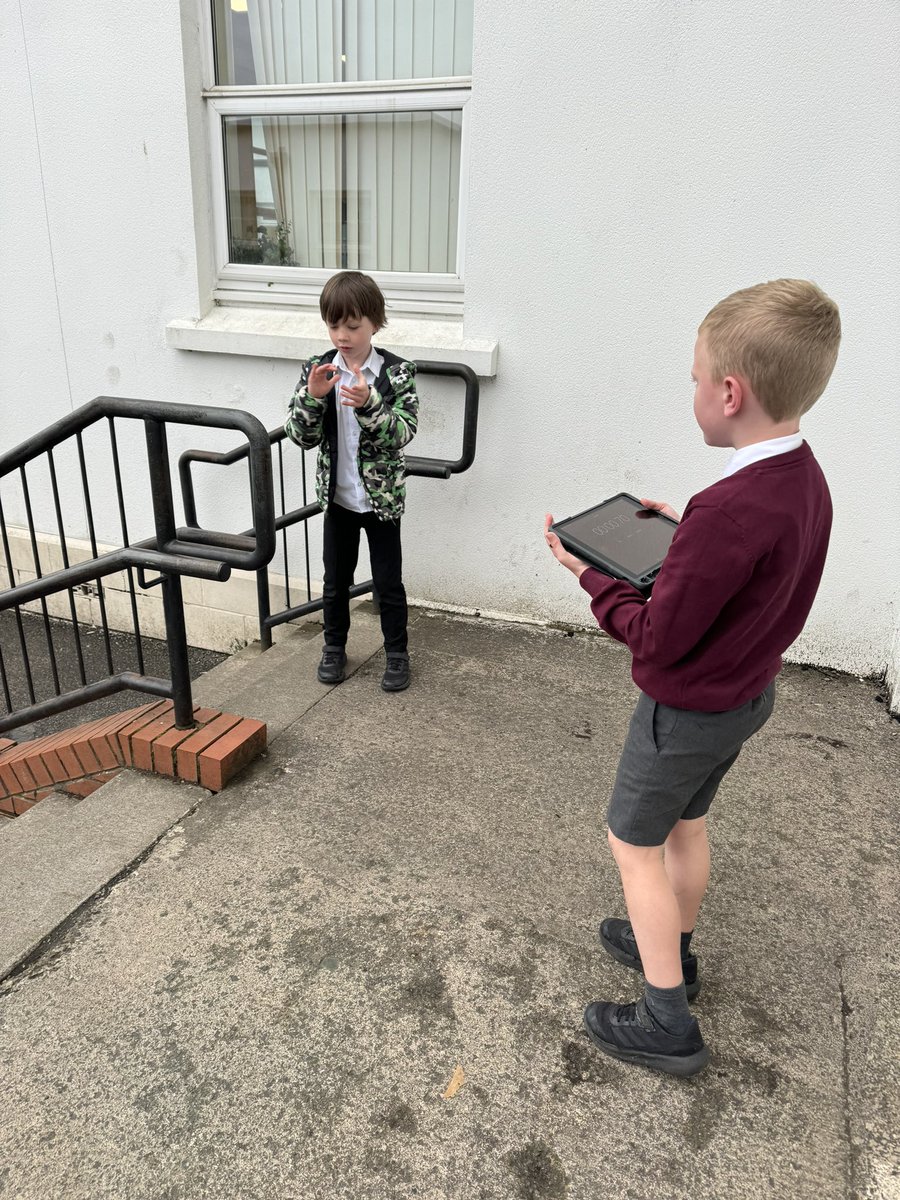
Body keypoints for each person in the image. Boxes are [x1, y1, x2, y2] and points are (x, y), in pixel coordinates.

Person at [545, 279, 841, 1077]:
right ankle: (675, 947)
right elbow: (748, 578)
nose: (694, 391)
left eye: (695, 379)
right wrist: (681, 541)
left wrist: (593, 574)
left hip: (685, 710)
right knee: (686, 826)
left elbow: (656, 640)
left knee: (631, 843)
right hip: (746, 698)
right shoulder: (803, 481)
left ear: (730, 392)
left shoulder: (727, 510)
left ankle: (665, 1020)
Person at [285, 271, 418, 692]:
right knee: (334, 581)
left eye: (353, 326)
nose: (342, 335)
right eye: (333, 324)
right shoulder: (317, 369)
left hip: (381, 502)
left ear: (375, 323)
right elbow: (299, 436)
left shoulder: (396, 373)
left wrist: (369, 403)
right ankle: (334, 647)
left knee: (388, 582)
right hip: (338, 499)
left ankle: (397, 655)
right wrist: (312, 397)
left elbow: (402, 433)